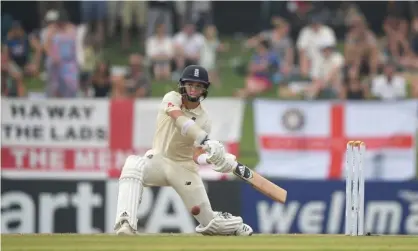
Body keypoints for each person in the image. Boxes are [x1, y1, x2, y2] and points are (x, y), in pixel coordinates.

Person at [114, 65, 253, 236]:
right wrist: (205, 138)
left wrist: (212, 159)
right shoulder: (171, 98)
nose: (193, 89)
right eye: (190, 85)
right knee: (133, 164)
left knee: (211, 225)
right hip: (158, 160)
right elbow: (178, 117)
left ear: (204, 89)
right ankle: (126, 224)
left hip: (184, 169)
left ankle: (233, 225)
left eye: (198, 86)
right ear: (183, 85)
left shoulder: (204, 119)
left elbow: (195, 155)